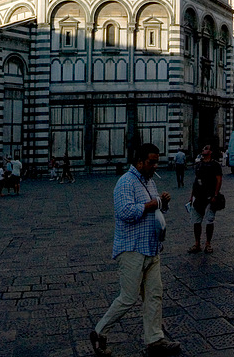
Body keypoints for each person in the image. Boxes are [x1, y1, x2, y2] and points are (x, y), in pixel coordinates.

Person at [90, 144, 179, 357]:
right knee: (128, 298)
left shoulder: (149, 182)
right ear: (139, 161)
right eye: (151, 162)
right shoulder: (125, 183)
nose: (155, 165)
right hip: (131, 249)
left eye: (157, 161)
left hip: (151, 248)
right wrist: (153, 203)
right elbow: (126, 212)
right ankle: (99, 331)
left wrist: (162, 203)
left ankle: (155, 340)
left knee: (154, 295)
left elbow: (155, 208)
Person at [187, 144, 222, 254]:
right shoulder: (198, 165)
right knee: (196, 221)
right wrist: (191, 196)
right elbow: (196, 181)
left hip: (210, 196)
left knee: (209, 220)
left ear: (211, 152)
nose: (203, 150)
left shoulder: (215, 165)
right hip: (198, 196)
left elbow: (219, 180)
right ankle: (197, 243)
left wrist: (215, 195)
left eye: (206, 148)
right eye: (203, 148)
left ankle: (208, 243)